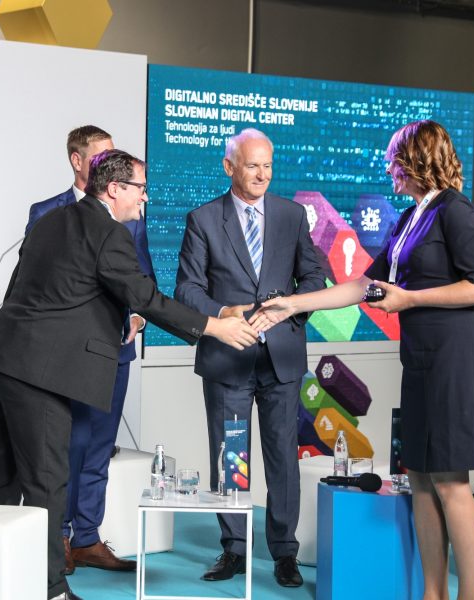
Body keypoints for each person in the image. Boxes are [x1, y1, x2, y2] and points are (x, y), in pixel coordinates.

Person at [0, 149, 258, 600]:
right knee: (48, 480)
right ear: (114, 188)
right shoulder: (110, 233)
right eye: (140, 189)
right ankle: (50, 589)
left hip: (4, 355)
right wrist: (214, 326)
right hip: (38, 371)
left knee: (2, 472)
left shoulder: (52, 220)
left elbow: (36, 289)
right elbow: (145, 297)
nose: (145, 198)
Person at [252, 120, 474, 600]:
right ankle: (433, 594)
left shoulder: (455, 210)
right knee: (421, 481)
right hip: (422, 362)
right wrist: (293, 304)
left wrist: (410, 299)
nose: (388, 168)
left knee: (451, 483)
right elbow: (364, 286)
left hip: (456, 363)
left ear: (414, 160)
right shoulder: (409, 219)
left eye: (392, 160)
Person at [174, 128, 324, 588]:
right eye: (253, 165)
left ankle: (284, 552)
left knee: (283, 458)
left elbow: (314, 278)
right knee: (231, 456)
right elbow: (187, 289)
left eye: (268, 165)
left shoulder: (292, 215)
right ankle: (235, 549)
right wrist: (224, 313)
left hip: (281, 357)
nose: (262, 174)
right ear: (229, 167)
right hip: (228, 357)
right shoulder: (203, 219)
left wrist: (291, 308)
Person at [25, 126, 150, 573]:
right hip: (70, 354)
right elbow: (40, 282)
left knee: (100, 447)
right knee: (68, 445)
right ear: (78, 161)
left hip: (117, 350)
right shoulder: (48, 213)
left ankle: (87, 538)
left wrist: (138, 317)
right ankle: (57, 538)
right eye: (101, 156)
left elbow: (142, 279)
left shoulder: (132, 211)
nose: (110, 163)